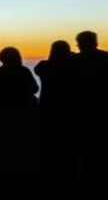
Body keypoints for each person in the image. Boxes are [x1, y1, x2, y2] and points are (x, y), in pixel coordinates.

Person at [70, 30, 108, 178]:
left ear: (78, 44)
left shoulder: (73, 62)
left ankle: (91, 176)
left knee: (87, 147)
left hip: (82, 112)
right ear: (95, 42)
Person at [34, 40, 76, 179]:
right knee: (67, 141)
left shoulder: (43, 66)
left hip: (47, 106)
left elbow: (38, 70)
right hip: (68, 108)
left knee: (48, 141)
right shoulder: (72, 66)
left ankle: (47, 171)